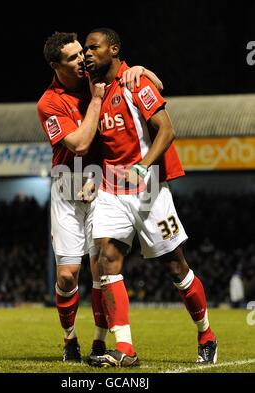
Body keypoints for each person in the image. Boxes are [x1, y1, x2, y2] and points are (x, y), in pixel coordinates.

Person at [83, 28, 217, 367]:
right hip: (112, 189)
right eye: (84, 49)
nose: (87, 54)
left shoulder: (134, 83)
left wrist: (142, 168)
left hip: (149, 189)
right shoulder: (98, 89)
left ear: (113, 49)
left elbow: (167, 129)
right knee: (105, 260)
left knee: (176, 267)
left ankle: (206, 335)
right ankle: (125, 348)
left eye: (93, 48)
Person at [37, 31, 163, 362]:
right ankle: (69, 339)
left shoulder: (97, 74)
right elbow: (77, 144)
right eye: (74, 57)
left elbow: (149, 84)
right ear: (56, 65)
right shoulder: (49, 103)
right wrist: (95, 101)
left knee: (100, 269)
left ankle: (98, 342)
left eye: (83, 53)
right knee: (67, 275)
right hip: (66, 186)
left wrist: (142, 70)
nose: (83, 60)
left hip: (100, 183)